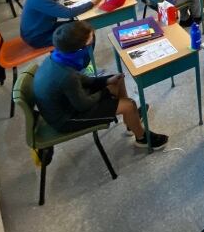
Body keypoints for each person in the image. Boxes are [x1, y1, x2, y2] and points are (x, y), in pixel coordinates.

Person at [33, 21, 168, 149]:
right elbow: (83, 104)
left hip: (68, 102)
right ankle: (142, 138)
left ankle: (130, 121)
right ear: (80, 49)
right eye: (90, 41)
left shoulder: (58, 56)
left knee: (116, 80)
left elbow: (82, 79)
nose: (92, 42)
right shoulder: (67, 76)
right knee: (129, 104)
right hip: (66, 119)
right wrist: (106, 91)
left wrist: (106, 82)